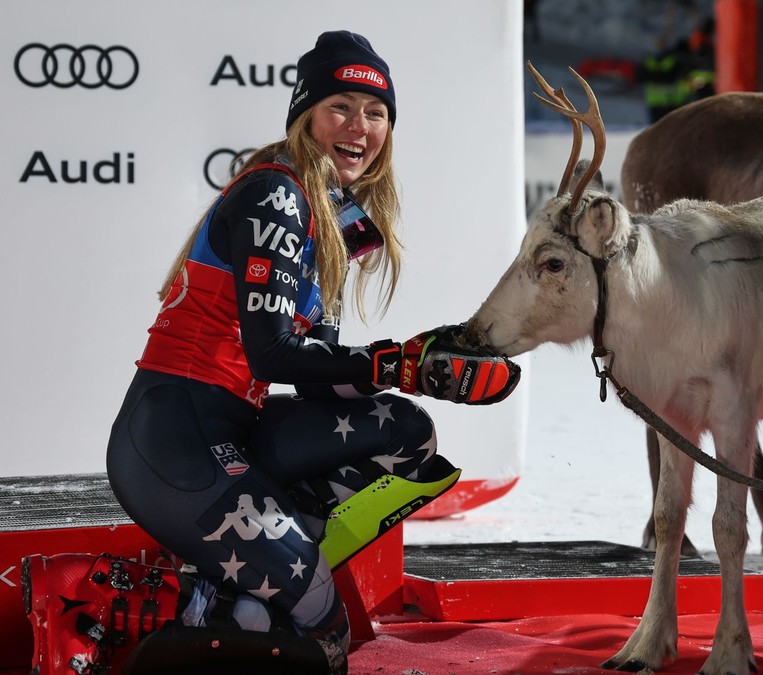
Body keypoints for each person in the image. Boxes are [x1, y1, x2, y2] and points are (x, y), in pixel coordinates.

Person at [104, 31, 519, 674]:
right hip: (173, 440)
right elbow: (275, 357)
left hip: (231, 431)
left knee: (407, 431)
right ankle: (178, 602)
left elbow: (319, 374)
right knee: (324, 624)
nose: (360, 127)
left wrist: (430, 364)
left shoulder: (329, 211)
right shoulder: (276, 193)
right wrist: (400, 363)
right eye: (341, 108)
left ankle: (238, 584)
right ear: (305, 117)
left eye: (375, 113)